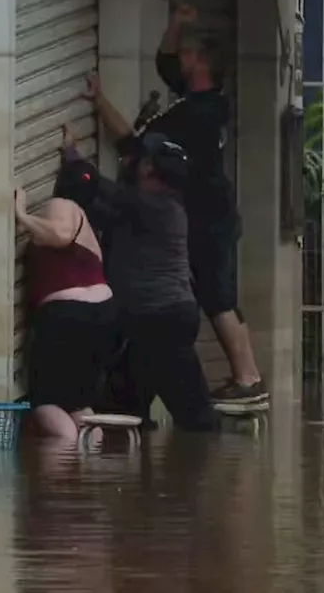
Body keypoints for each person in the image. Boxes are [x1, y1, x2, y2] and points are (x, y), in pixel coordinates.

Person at [83, 2, 267, 405]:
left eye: (187, 51)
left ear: (200, 64)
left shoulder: (193, 117)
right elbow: (166, 64)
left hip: (207, 220)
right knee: (223, 297)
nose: (177, 56)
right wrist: (177, 24)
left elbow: (132, 142)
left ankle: (248, 378)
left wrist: (99, 101)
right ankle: (249, 376)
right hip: (215, 216)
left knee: (218, 298)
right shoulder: (207, 100)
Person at [64, 127, 218, 432]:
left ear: (148, 168)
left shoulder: (151, 206)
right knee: (122, 411)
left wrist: (73, 159)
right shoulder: (151, 209)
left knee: (198, 421)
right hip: (147, 323)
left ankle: (216, 470)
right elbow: (101, 212)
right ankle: (145, 477)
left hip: (162, 323)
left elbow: (94, 185)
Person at [14, 167, 117, 440]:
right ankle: (87, 468)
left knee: (46, 400)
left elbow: (60, 235)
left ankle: (59, 466)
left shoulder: (62, 205)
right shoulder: (91, 230)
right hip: (102, 315)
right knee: (77, 403)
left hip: (68, 317)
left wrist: (22, 216)